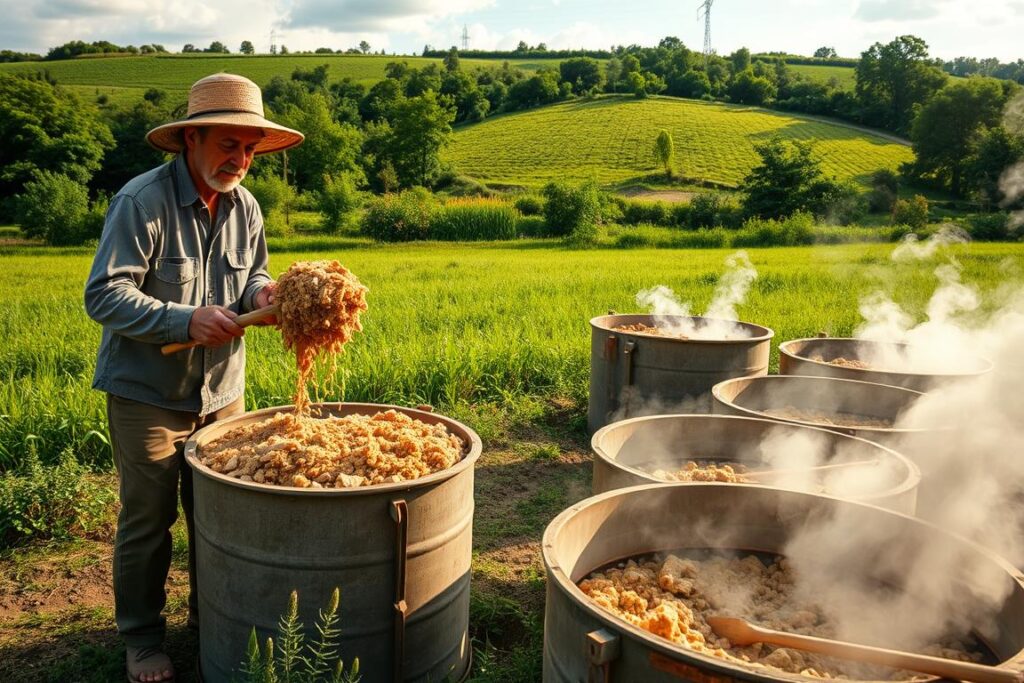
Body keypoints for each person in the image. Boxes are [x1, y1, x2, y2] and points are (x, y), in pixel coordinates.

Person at [84, 73, 303, 683]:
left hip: (223, 393)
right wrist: (185, 317)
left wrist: (269, 292)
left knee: (220, 516)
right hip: (149, 394)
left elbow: (252, 278)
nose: (239, 160)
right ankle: (142, 639)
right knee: (149, 519)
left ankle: (214, 619)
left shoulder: (247, 207)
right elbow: (103, 294)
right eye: (227, 144)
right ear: (191, 139)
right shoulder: (141, 201)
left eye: (249, 150)